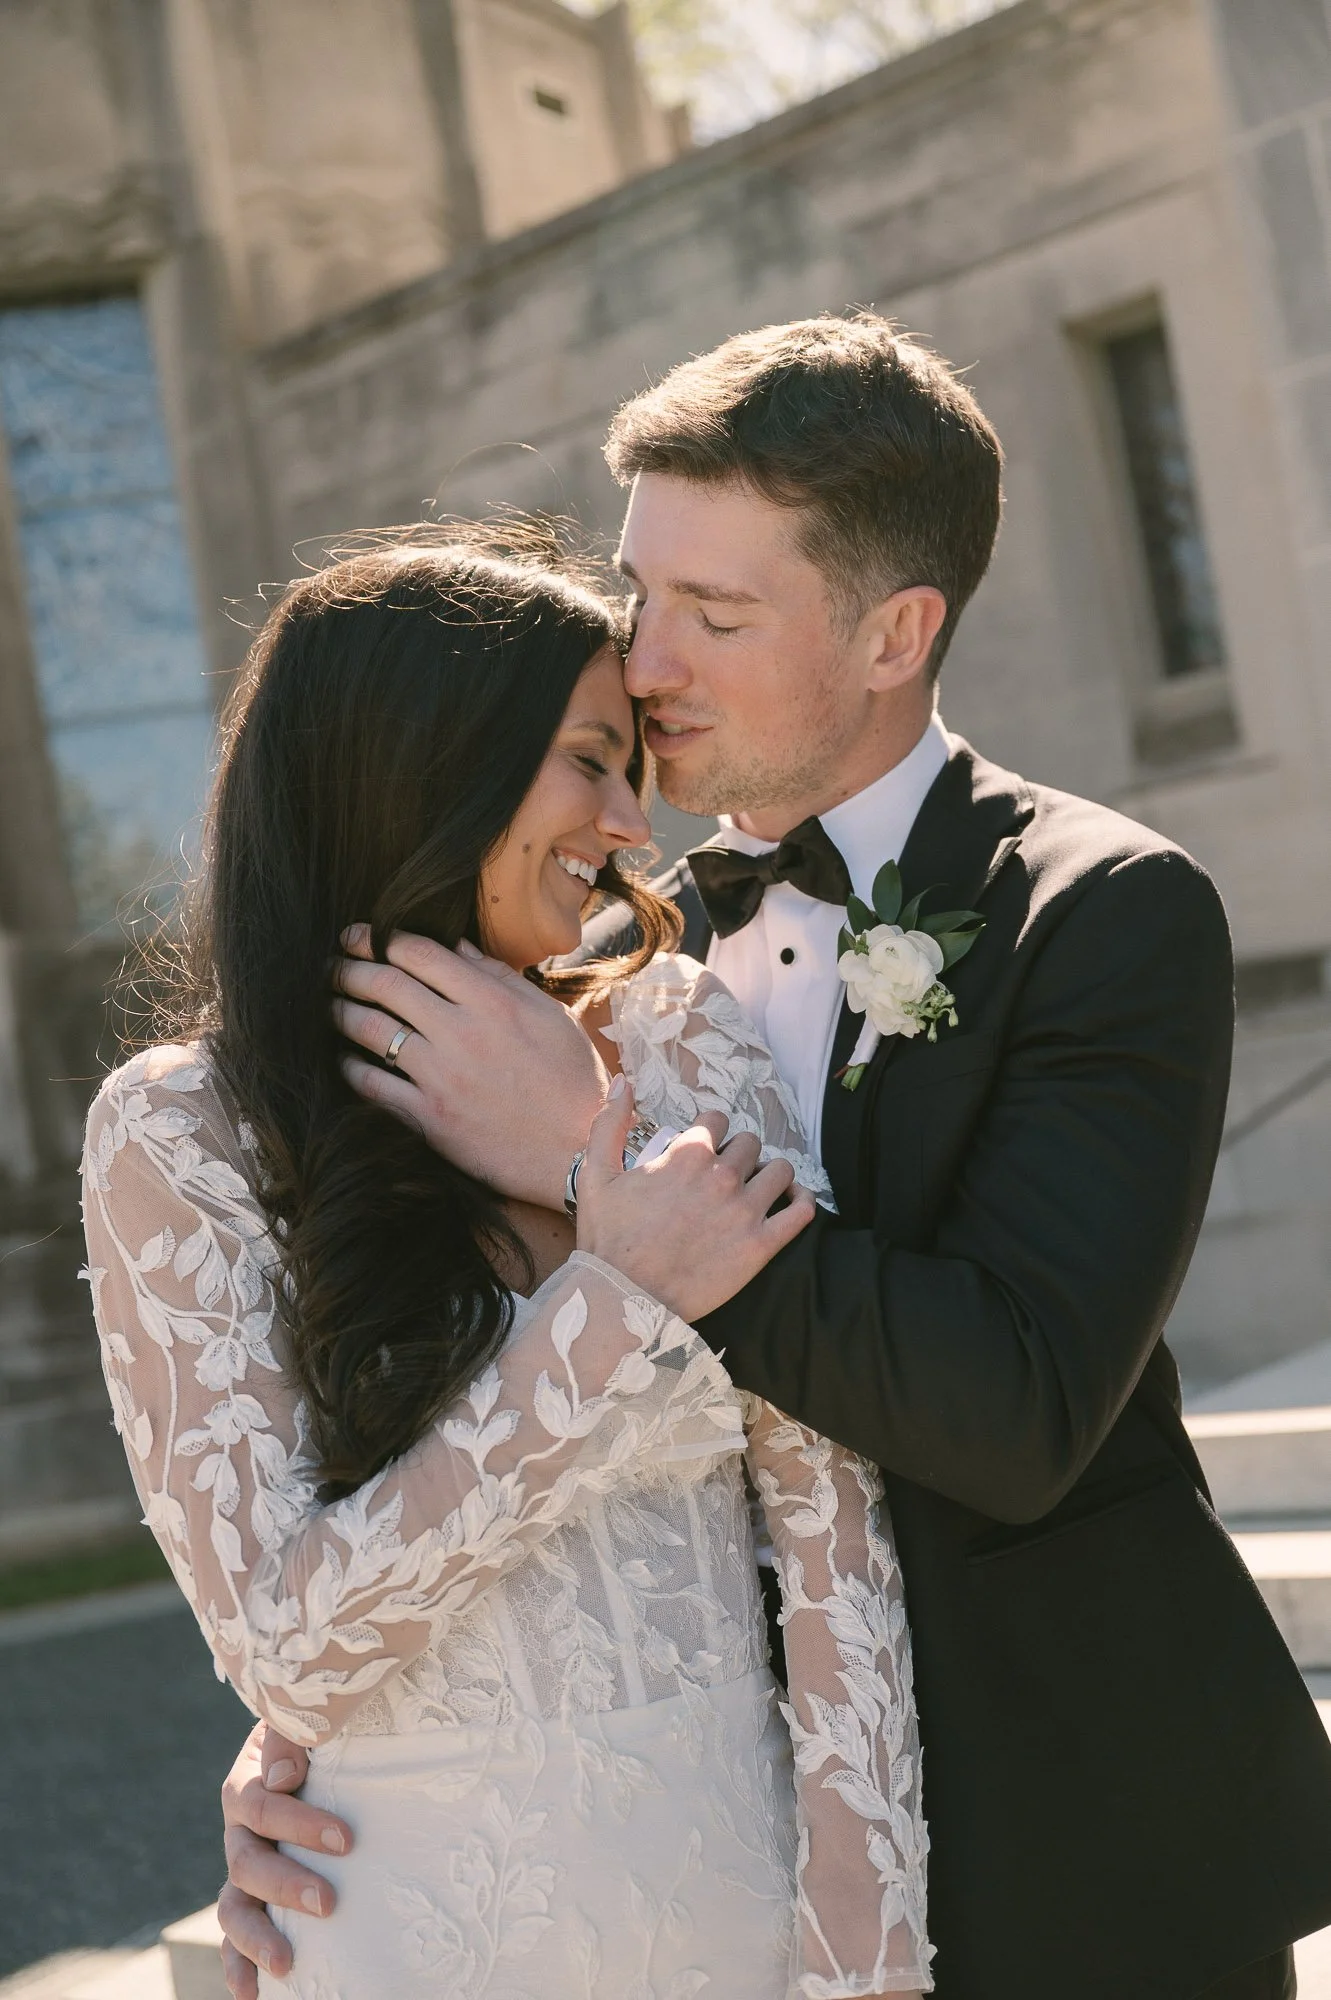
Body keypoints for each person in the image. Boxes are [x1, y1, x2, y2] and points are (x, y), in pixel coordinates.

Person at [218, 315, 1331, 2000]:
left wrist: (604, 1174)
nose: (640, 657)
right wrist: (352, 1744)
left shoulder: (1105, 915)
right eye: (639, 589)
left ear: (897, 631)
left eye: (714, 615)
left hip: (1077, 1847)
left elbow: (1013, 1407)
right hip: (714, 1867)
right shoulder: (568, 950)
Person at [82, 536, 935, 2000]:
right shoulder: (180, 1133)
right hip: (410, 1939)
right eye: (588, 761)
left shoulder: (677, 1038)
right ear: (423, 766)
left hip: (749, 1915)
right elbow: (292, 1648)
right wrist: (614, 1305)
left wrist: (868, 1941)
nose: (626, 821)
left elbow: (831, 1519)